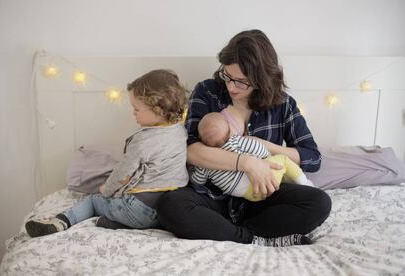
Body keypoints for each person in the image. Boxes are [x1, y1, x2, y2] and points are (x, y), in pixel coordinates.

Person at [157, 29, 332, 247]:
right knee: (170, 204)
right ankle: (252, 238)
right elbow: (191, 151)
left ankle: (232, 231)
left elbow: (312, 158)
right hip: (213, 199)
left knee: (319, 203)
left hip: (263, 198)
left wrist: (264, 147)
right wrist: (247, 163)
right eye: (227, 76)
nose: (231, 86)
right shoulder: (208, 92)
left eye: (241, 82)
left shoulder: (283, 104)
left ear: (262, 78)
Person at [25, 69, 189, 237]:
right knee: (127, 209)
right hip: (166, 213)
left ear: (159, 110)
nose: (133, 113)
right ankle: (117, 224)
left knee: (93, 200)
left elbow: (122, 174)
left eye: (136, 109)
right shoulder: (180, 131)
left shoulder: (142, 141)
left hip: (139, 211)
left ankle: (60, 221)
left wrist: (106, 190)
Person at [192, 111, 313, 202]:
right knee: (283, 160)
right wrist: (266, 159)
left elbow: (197, 180)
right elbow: (260, 150)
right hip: (265, 182)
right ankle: (305, 183)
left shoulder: (206, 162)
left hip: (247, 195)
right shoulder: (236, 141)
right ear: (229, 128)